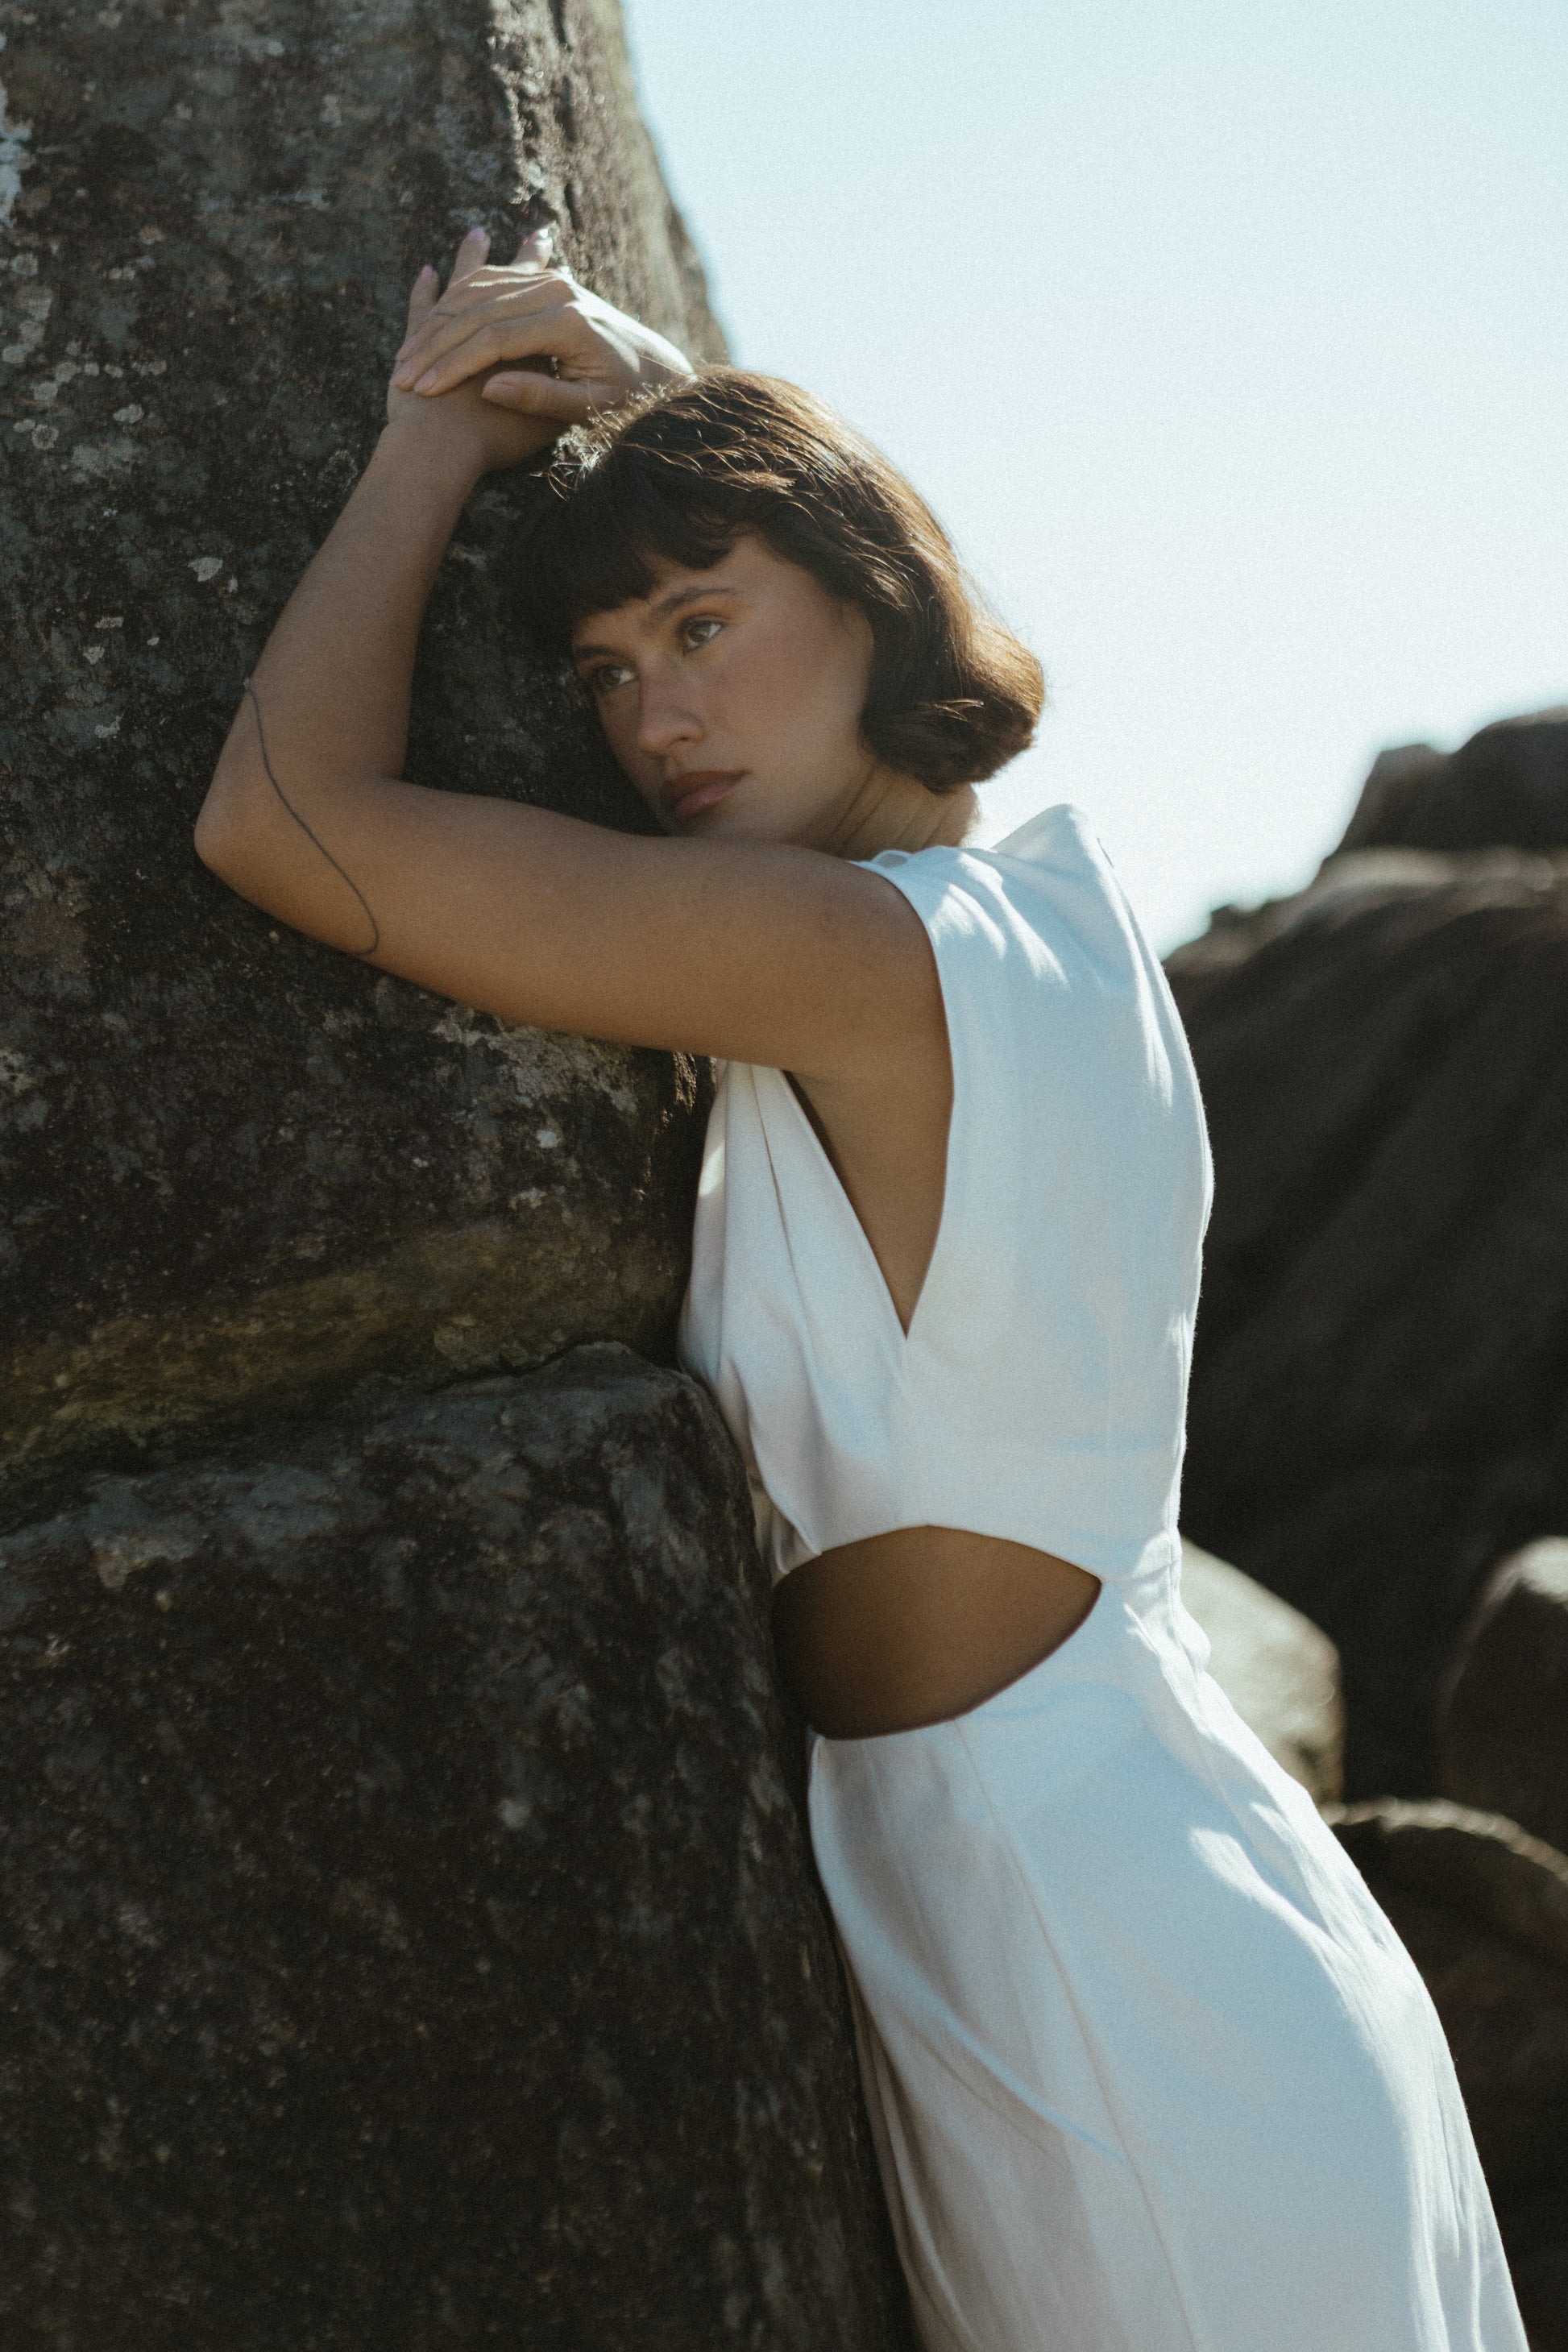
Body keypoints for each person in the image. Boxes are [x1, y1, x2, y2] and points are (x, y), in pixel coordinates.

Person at [195, 225, 1527, 2351]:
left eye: (702, 626)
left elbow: (283, 818)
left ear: (879, 599)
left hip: (1118, 1970)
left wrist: (429, 432)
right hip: (1073, 1898)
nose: (656, 718)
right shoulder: (1037, 924)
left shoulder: (867, 961)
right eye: (607, 671)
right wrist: (661, 402)